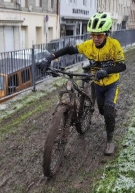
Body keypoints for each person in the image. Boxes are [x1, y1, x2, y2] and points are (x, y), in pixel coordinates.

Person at [37, 12, 126, 156]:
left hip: (111, 84)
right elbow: (68, 50)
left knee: (108, 110)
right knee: (101, 110)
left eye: (100, 35)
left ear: (107, 34)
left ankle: (110, 140)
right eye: (93, 35)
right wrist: (49, 58)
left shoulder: (114, 45)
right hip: (97, 83)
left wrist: (107, 70)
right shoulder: (87, 45)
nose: (96, 38)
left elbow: (122, 66)